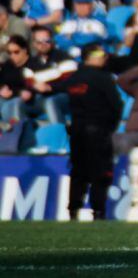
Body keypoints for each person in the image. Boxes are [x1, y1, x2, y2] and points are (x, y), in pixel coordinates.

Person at [36, 45, 121, 220]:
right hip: (98, 131)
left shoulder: (75, 78)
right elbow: (116, 105)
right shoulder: (103, 78)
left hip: (77, 131)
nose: (105, 58)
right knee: (100, 172)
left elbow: (54, 88)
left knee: (78, 172)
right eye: (101, 54)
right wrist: (110, 127)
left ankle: (73, 210)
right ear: (91, 57)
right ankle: (98, 212)